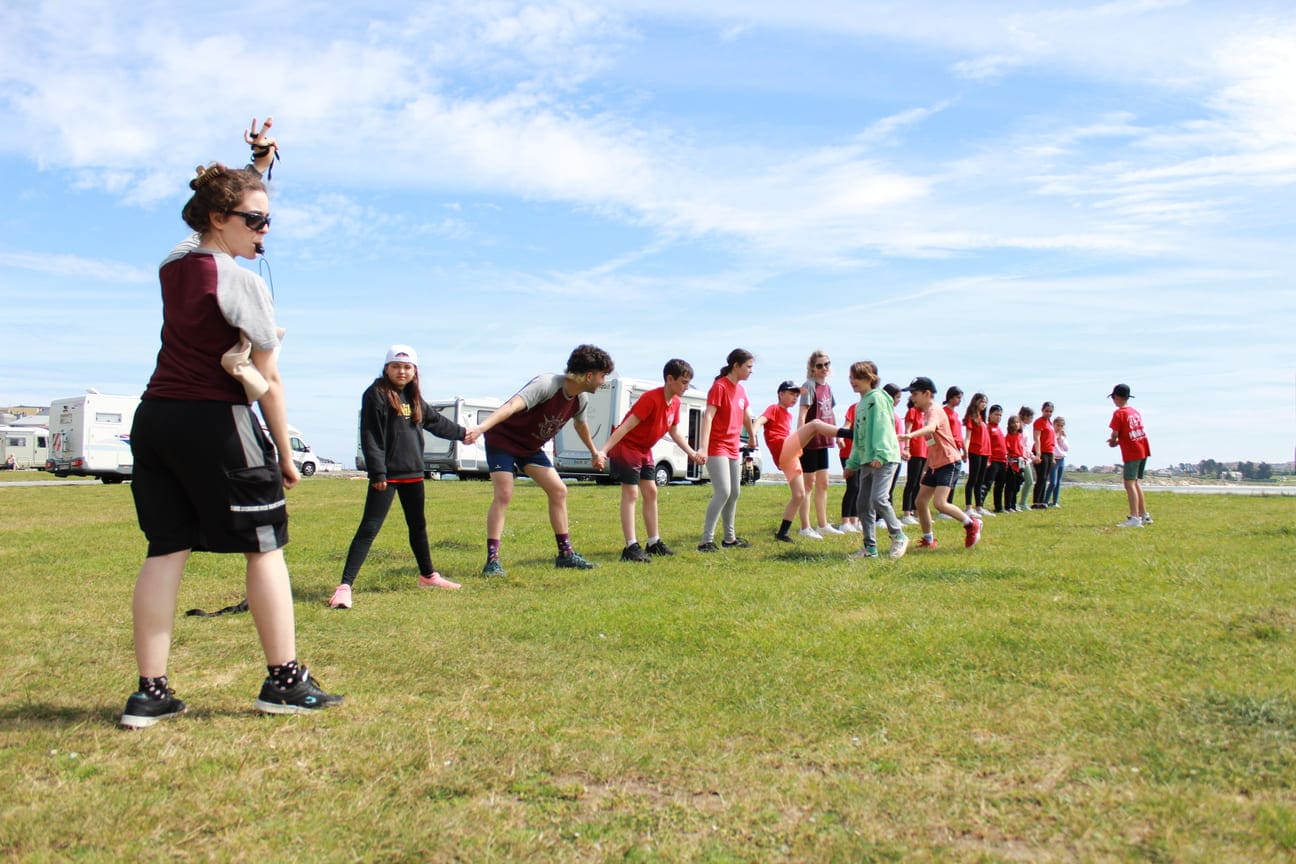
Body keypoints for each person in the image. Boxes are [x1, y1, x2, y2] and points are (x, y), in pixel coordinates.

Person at [120, 118, 341, 729]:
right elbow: (269, 379)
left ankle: (151, 692)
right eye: (256, 220)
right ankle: (286, 683)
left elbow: (213, 214)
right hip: (214, 419)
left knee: (166, 548)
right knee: (265, 548)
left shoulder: (174, 264)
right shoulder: (241, 282)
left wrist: (254, 168)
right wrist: (287, 453)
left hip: (155, 418)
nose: (265, 230)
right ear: (219, 219)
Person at [327, 345, 468, 610]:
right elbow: (371, 436)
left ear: (414, 371)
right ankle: (344, 587)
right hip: (387, 476)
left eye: (407, 367)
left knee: (418, 527)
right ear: (386, 368)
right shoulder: (376, 394)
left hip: (414, 473)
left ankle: (428, 576)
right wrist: (377, 472)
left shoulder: (413, 396)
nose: (402, 371)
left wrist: (463, 433)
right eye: (396, 366)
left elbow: (436, 421)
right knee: (369, 528)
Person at [467, 345, 614, 575]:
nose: (603, 381)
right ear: (589, 375)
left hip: (530, 447)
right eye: (602, 375)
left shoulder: (579, 400)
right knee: (504, 493)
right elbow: (512, 406)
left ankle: (565, 555)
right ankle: (492, 560)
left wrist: (594, 451)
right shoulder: (547, 385)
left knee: (559, 490)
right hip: (502, 441)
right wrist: (481, 428)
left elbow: (580, 424)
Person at [596, 359, 704, 562]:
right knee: (631, 493)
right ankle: (631, 547)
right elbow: (626, 427)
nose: (686, 387)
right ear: (669, 379)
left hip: (645, 450)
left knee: (652, 491)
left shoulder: (676, 403)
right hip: (627, 447)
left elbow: (675, 432)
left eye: (688, 383)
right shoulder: (650, 399)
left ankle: (653, 542)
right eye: (683, 382)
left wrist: (691, 453)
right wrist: (603, 451)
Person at [898, 377, 982, 550]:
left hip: (949, 462)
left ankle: (971, 523)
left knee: (940, 503)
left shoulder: (934, 410)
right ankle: (929, 540)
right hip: (936, 465)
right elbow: (931, 444)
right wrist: (927, 467)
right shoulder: (924, 414)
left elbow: (930, 429)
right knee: (920, 502)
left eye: (915, 394)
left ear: (927, 394)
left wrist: (908, 436)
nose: (912, 398)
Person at [754, 380, 842, 543]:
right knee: (814, 424)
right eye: (791, 394)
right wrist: (753, 435)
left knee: (799, 495)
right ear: (781, 394)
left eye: (797, 395)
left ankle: (782, 533)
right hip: (782, 449)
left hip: (790, 456)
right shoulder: (774, 408)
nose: (795, 398)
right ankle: (848, 433)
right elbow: (759, 421)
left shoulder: (788, 414)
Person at [842, 362, 908, 560]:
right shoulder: (861, 403)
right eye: (851, 378)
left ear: (870, 378)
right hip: (866, 460)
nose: (853, 382)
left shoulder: (877, 399)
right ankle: (870, 548)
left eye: (857, 378)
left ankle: (899, 536)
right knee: (862, 503)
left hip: (884, 458)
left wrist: (880, 455)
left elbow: (883, 429)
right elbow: (859, 436)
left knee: (878, 499)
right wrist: (851, 464)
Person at [697, 349, 755, 552]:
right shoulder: (719, 387)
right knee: (723, 492)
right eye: (748, 367)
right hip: (717, 446)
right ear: (736, 366)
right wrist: (703, 447)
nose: (750, 371)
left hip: (733, 446)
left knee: (735, 493)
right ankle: (705, 541)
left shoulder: (741, 391)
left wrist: (753, 438)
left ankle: (729, 539)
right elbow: (708, 417)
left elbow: (747, 416)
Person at [796, 350, 842, 537]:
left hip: (824, 440)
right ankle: (805, 527)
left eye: (826, 364)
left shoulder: (828, 388)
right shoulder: (808, 386)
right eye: (820, 365)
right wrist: (799, 439)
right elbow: (802, 414)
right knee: (808, 484)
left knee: (823, 483)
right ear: (812, 368)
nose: (824, 368)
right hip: (810, 441)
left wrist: (838, 435)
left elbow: (830, 412)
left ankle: (822, 524)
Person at [1107, 384, 1152, 527]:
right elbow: (1131, 433)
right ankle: (1143, 515)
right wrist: (1119, 441)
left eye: (1113, 397)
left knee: (1129, 483)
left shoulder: (1119, 413)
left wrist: (1113, 442)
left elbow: (1115, 433)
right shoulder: (1135, 412)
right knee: (1136, 482)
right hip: (1143, 448)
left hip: (1132, 451)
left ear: (1117, 397)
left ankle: (1134, 518)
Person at [835, 399, 862, 534]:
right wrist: (840, 437)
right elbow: (847, 425)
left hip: (863, 454)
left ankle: (854, 520)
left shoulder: (873, 408)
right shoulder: (855, 407)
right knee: (853, 486)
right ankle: (845, 522)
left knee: (860, 488)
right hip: (848, 452)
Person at [962, 392, 991, 516]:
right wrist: (965, 451)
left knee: (980, 480)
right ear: (975, 402)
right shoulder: (971, 417)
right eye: (981, 401)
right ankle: (969, 507)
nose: (983, 404)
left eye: (985, 402)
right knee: (972, 479)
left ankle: (979, 506)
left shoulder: (981, 417)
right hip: (975, 451)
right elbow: (967, 436)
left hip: (985, 452)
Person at [900, 396, 928, 525]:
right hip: (915, 451)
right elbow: (907, 431)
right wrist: (907, 448)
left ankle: (916, 512)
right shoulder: (912, 411)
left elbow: (928, 435)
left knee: (919, 484)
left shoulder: (925, 414)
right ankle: (907, 512)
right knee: (911, 482)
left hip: (924, 452)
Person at [941, 386, 966, 515]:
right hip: (948, 447)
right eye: (957, 397)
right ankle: (945, 508)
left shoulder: (956, 414)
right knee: (947, 480)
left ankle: (948, 507)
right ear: (950, 397)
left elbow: (960, 433)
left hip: (957, 448)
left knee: (954, 481)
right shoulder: (944, 411)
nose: (959, 400)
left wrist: (964, 451)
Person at [1032, 401, 1057, 509]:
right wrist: (1038, 453)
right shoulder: (1039, 421)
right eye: (1046, 411)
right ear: (1042, 410)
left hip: (1049, 452)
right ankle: (1036, 501)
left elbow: (1052, 440)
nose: (1048, 413)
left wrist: (1053, 455)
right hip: (1041, 451)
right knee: (1041, 477)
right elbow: (1037, 438)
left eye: (1050, 411)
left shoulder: (1050, 423)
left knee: (1045, 477)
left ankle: (1041, 501)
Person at [984, 404, 1009, 513]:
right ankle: (979, 505)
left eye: (1000, 415)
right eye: (996, 414)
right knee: (987, 483)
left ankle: (998, 507)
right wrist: (988, 459)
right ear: (990, 415)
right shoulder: (987, 427)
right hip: (993, 460)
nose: (998, 417)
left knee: (1000, 484)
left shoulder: (999, 428)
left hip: (1002, 460)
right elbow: (986, 444)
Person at [1016, 405, 1037, 511]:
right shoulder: (1019, 428)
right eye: (1030, 417)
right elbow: (1020, 444)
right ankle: (1020, 503)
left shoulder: (1025, 429)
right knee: (1027, 481)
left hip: (1027, 458)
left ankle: (1022, 502)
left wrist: (1032, 456)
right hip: (1021, 458)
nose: (1031, 419)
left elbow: (1027, 445)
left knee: (1028, 481)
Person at [1003, 414, 1025, 512]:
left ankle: (1014, 505)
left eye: (1017, 422)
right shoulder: (1008, 437)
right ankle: (1008, 506)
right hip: (1012, 463)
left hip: (1020, 463)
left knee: (1017, 485)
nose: (1016, 424)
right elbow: (1006, 450)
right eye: (1013, 422)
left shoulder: (1020, 436)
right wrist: (1009, 461)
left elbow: (1021, 448)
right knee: (1010, 486)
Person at [1047, 416, 1069, 507]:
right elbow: (1051, 445)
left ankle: (1055, 502)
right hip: (1054, 458)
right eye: (1058, 425)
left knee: (1058, 482)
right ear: (1053, 424)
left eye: (1061, 426)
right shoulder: (1051, 434)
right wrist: (1057, 437)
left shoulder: (1061, 436)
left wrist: (1062, 438)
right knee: (1053, 482)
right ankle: (1045, 500)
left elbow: (1066, 448)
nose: (1059, 427)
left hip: (1062, 459)